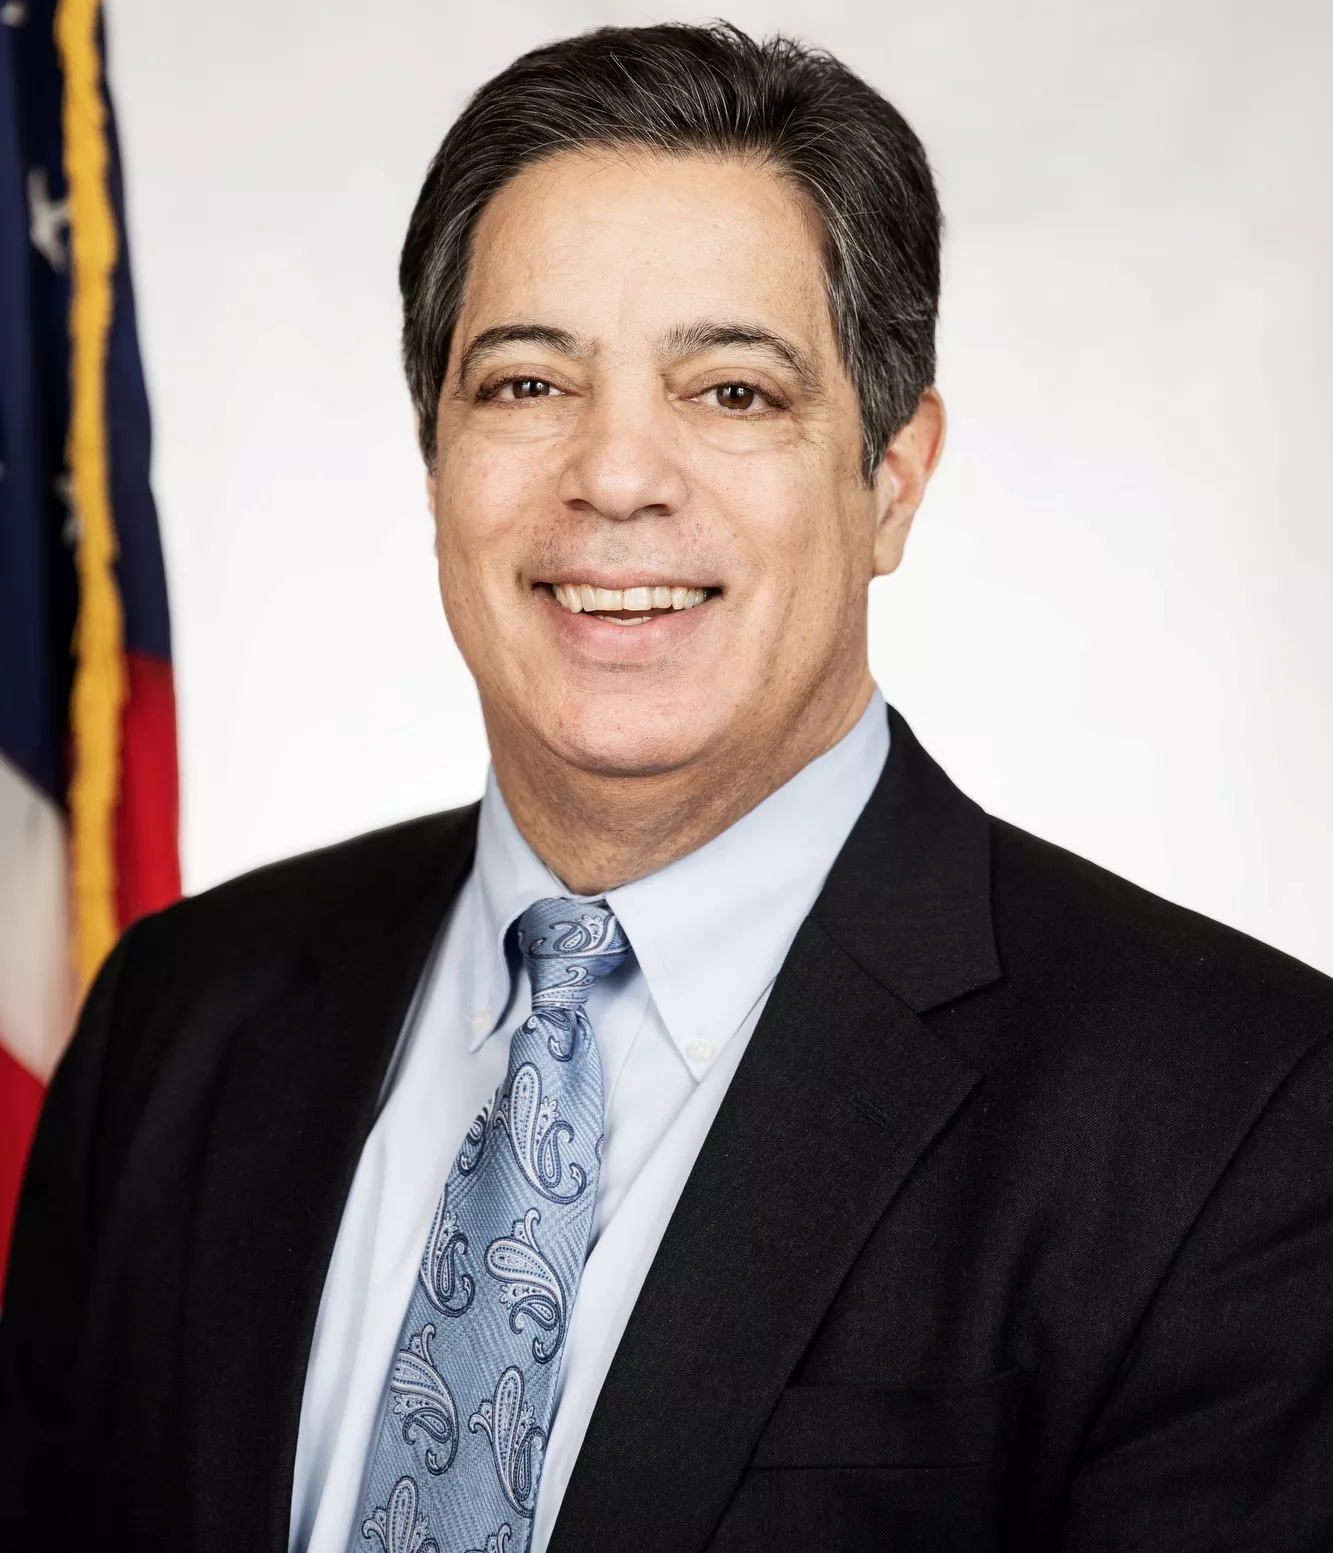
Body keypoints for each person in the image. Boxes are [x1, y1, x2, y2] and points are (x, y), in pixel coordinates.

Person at [2, 20, 1330, 1553]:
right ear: (434, 463)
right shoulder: (178, 1019)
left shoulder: (1235, 1121)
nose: (617, 476)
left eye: (733, 392)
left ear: (893, 477)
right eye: (525, 383)